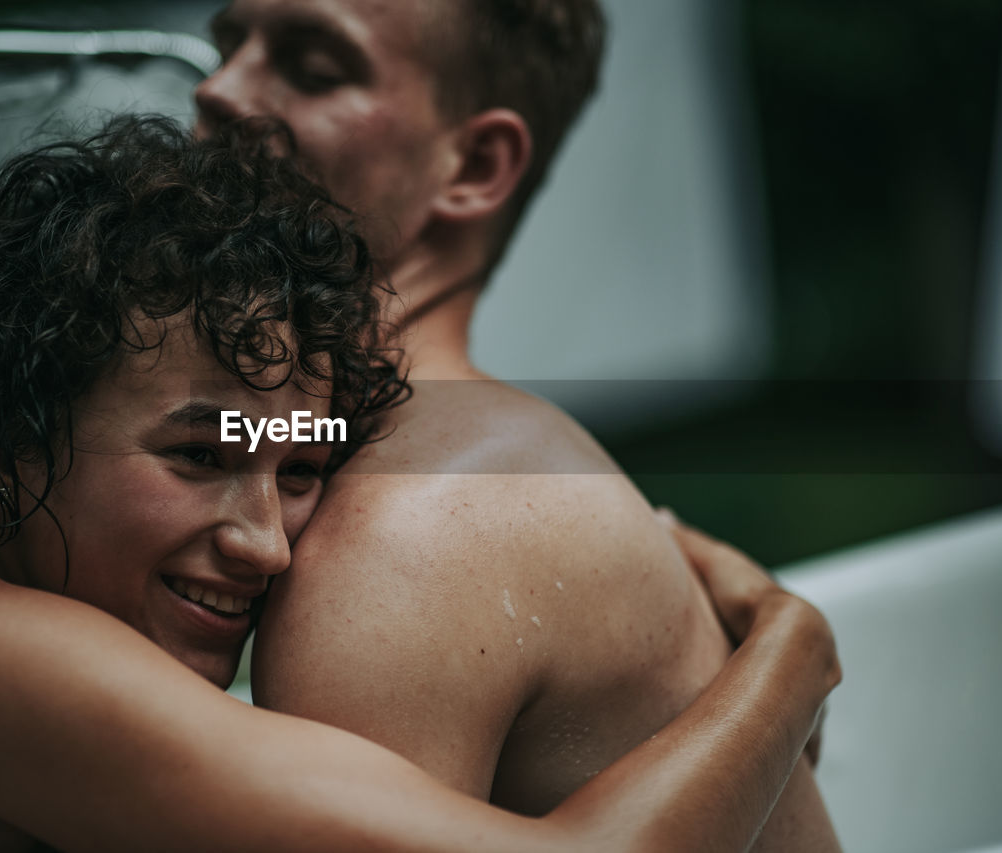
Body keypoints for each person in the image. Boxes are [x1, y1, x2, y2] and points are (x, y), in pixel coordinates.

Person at [0, 116, 841, 851]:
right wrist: (788, 654)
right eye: (199, 456)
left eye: (300, 466)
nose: (265, 541)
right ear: (0, 440)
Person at [194, 0, 841, 847]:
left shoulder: (403, 536)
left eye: (315, 68)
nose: (217, 89)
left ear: (475, 164)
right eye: (227, 43)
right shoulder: (462, 458)